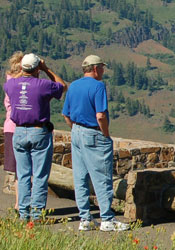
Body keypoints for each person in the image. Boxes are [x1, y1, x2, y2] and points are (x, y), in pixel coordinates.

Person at [61, 55, 128, 231]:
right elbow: (100, 115)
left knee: (80, 177)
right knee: (102, 177)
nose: (103, 71)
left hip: (76, 132)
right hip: (94, 134)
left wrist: (76, 129)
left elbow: (66, 115)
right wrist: (105, 134)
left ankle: (85, 218)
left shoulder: (74, 85)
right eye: (102, 68)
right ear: (96, 68)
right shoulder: (98, 86)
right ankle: (107, 219)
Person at [4, 53, 68, 221]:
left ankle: (23, 213)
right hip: (39, 131)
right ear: (36, 69)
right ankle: (37, 213)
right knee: (39, 175)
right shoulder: (43, 85)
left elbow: (15, 80)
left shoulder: (11, 85)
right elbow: (62, 86)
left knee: (23, 174)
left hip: (18, 132)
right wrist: (46, 68)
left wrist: (27, 68)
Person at [3, 52, 25, 210]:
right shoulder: (19, 86)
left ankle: (19, 203)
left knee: (18, 172)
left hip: (10, 128)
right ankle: (23, 203)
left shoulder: (9, 84)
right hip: (22, 128)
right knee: (25, 171)